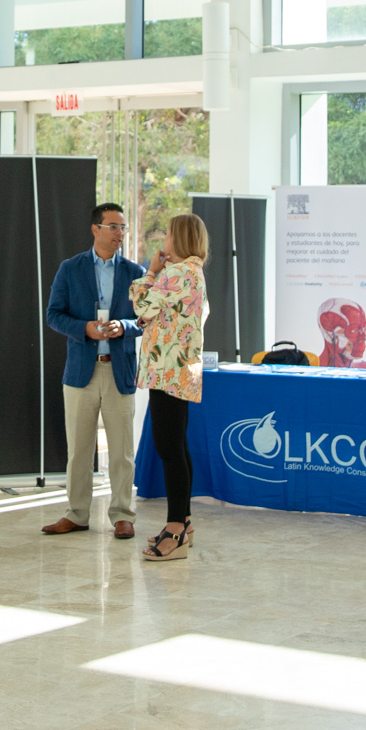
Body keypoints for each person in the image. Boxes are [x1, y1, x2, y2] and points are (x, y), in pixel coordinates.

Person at [41, 202, 145, 539]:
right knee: (79, 450)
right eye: (114, 226)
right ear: (95, 229)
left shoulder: (135, 273)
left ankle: (122, 514)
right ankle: (77, 513)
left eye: (123, 227)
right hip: (81, 372)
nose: (120, 233)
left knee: (122, 450)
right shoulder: (70, 269)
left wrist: (124, 326)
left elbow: (145, 319)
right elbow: (53, 315)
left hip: (119, 371)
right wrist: (84, 328)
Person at [131, 212, 208, 563]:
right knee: (177, 444)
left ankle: (175, 529)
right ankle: (185, 521)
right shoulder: (193, 272)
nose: (162, 242)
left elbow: (142, 305)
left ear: (177, 240)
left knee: (168, 448)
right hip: (180, 369)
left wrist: (150, 271)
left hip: (168, 370)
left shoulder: (176, 273)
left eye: (166, 236)